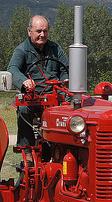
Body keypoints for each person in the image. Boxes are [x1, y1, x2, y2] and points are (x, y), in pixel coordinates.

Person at [7, 15, 69, 147]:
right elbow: (13, 69)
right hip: (34, 97)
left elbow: (65, 69)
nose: (42, 34)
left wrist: (66, 79)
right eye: (38, 31)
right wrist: (24, 81)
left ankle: (66, 146)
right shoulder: (22, 50)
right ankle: (27, 148)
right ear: (29, 31)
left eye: (45, 31)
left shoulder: (55, 49)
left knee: (75, 107)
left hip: (57, 95)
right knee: (24, 109)